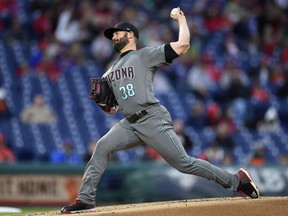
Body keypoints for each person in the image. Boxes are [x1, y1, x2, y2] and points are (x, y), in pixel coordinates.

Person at [61, 7, 259, 214]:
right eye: (111, 35)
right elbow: (112, 110)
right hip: (130, 123)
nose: (113, 37)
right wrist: (103, 104)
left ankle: (238, 181)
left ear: (130, 35)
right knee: (101, 147)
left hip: (151, 117)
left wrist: (181, 19)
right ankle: (85, 199)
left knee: (184, 164)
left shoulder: (144, 55)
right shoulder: (110, 71)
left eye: (116, 33)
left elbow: (183, 45)